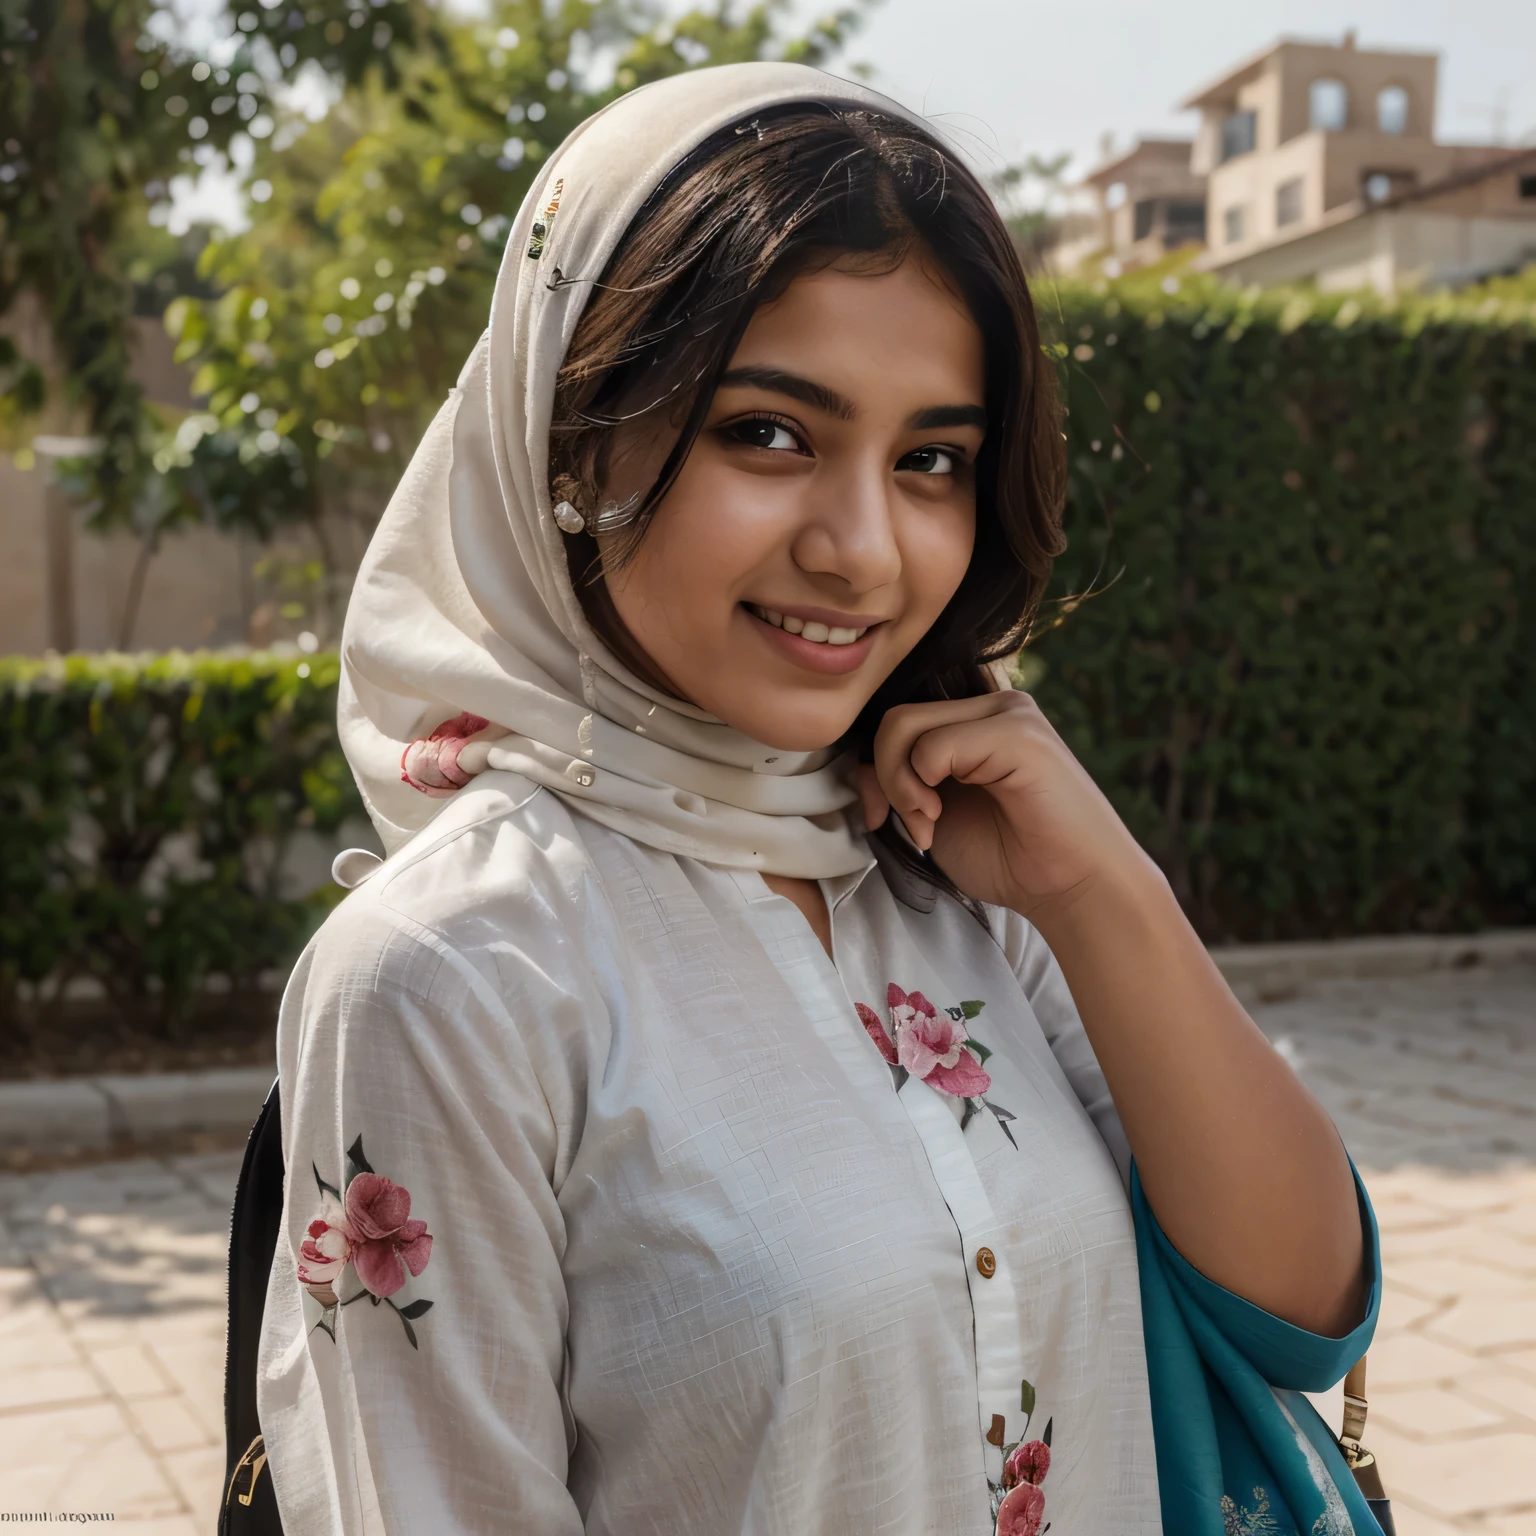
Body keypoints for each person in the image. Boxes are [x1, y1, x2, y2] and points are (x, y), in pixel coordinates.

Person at [255, 62, 1380, 1536]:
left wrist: (1100, 889)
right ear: (572, 434)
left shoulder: (958, 877)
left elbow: (1304, 1309)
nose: (863, 549)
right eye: (770, 433)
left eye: (931, 460)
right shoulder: (456, 972)